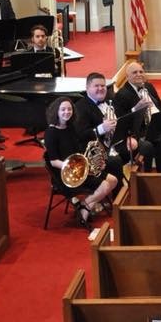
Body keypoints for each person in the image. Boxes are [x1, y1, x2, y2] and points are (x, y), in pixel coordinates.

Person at [44, 97, 118, 227]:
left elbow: (79, 151)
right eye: (63, 109)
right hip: (65, 174)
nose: (67, 112)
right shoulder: (51, 133)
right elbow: (54, 161)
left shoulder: (71, 127)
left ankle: (85, 205)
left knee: (113, 181)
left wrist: (95, 162)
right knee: (105, 186)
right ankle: (85, 210)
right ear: (56, 111)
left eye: (69, 109)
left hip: (80, 168)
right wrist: (74, 166)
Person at [72, 72, 126, 183]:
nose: (101, 88)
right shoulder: (80, 107)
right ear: (87, 88)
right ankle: (118, 196)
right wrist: (101, 128)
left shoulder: (109, 101)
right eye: (96, 86)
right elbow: (81, 135)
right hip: (96, 151)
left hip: (114, 143)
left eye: (103, 86)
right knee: (115, 161)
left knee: (142, 145)